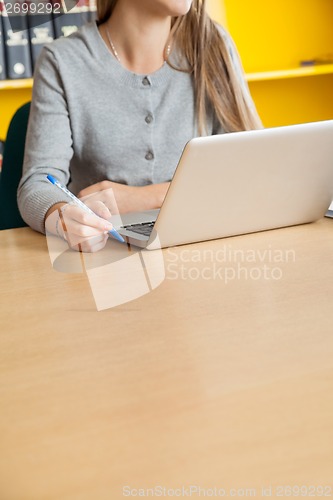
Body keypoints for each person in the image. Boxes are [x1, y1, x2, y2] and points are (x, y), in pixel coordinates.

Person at [18, 0, 262, 252]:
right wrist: (64, 220)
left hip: (207, 249)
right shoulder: (62, 61)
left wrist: (140, 198)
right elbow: (38, 183)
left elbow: (253, 171)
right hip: (106, 259)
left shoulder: (213, 45)